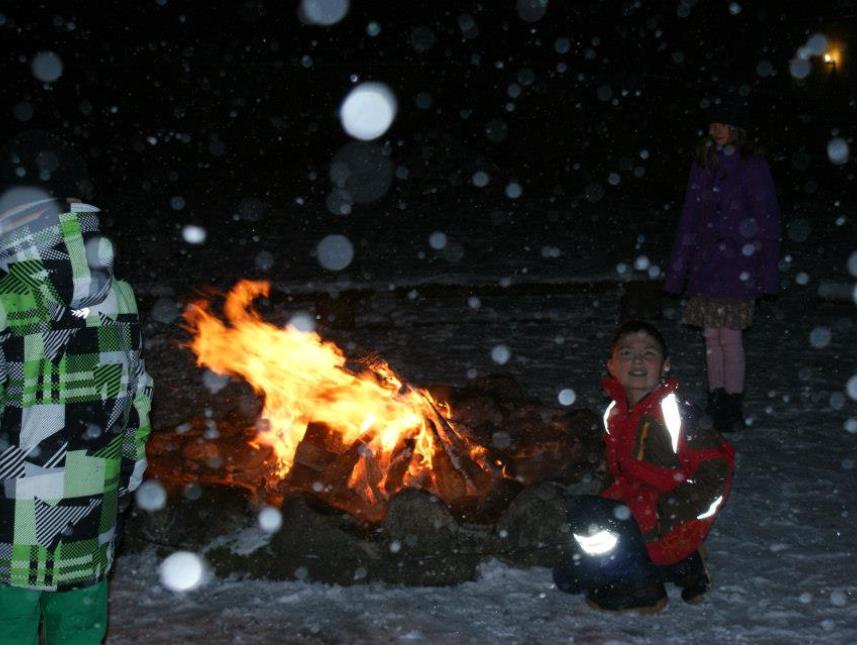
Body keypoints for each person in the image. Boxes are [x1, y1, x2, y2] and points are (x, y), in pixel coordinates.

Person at [0, 193, 153, 644]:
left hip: (13, 501)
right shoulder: (119, 294)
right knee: (80, 626)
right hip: (92, 493)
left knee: (8, 625)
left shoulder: (7, 299)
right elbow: (137, 391)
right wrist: (127, 470)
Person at [553, 320, 735, 613]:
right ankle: (683, 567)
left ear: (665, 366)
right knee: (568, 578)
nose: (637, 360)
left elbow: (717, 471)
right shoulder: (615, 412)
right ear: (611, 365)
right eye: (626, 353)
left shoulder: (677, 413)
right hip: (636, 514)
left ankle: (643, 589)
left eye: (648, 353)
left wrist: (671, 509)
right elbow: (617, 469)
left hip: (668, 519)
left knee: (584, 513)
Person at [664, 94, 781, 433]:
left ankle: (732, 403)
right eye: (712, 124)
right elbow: (689, 217)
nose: (714, 130)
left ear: (736, 127)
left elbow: (768, 219)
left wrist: (767, 268)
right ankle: (716, 400)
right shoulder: (704, 163)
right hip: (706, 266)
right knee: (710, 336)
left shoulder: (752, 166)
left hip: (738, 266)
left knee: (729, 336)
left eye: (722, 123)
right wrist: (678, 270)